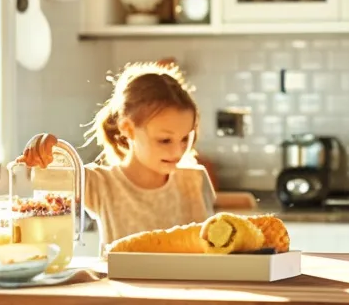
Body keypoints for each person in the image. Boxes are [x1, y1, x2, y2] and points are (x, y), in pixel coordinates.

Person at [15, 61, 253, 245]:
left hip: (190, 297)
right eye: (164, 140)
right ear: (128, 128)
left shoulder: (195, 180)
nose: (177, 150)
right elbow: (41, 175)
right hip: (121, 300)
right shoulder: (101, 184)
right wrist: (43, 147)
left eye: (184, 138)